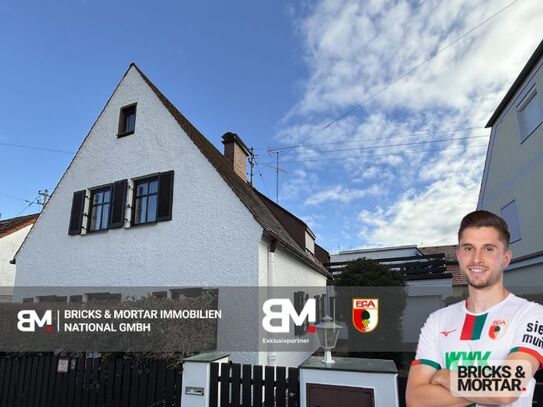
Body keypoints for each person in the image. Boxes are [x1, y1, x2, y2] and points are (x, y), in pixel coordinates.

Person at [406, 210, 543, 406]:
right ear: (459, 255)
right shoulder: (437, 320)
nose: (476, 259)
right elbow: (416, 399)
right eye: (469, 248)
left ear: (506, 257)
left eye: (489, 249)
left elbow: (507, 388)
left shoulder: (531, 314)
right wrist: (490, 387)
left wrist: (445, 377)